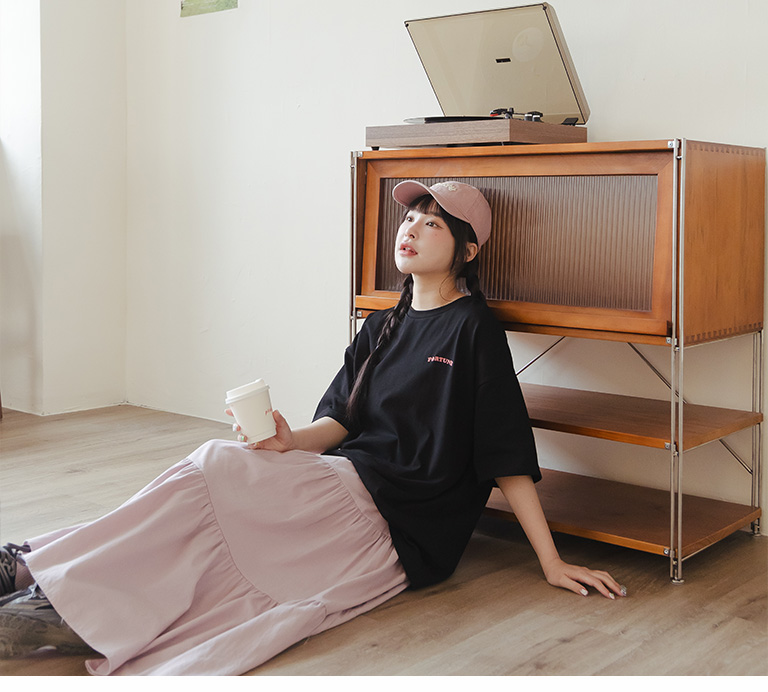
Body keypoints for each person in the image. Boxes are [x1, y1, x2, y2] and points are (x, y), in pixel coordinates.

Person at [0, 180, 625, 675]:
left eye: (434, 223)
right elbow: (342, 419)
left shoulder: (473, 328)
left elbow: (504, 452)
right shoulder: (382, 323)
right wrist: (287, 442)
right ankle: (40, 572)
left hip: (399, 518)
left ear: (468, 250)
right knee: (215, 472)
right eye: (410, 217)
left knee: (216, 469)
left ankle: (62, 606)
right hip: (343, 479)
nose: (411, 229)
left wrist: (550, 560)